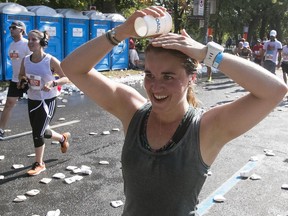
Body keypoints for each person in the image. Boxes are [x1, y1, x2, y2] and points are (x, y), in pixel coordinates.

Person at [60, 6, 287, 216]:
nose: (156, 87)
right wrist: (121, 31)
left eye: (168, 76)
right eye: (149, 75)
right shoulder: (133, 111)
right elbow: (71, 68)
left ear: (191, 78)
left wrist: (207, 53)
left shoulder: (206, 128)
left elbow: (274, 90)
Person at [18, 30, 71, 176]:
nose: (29, 42)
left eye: (33, 40)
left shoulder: (50, 60)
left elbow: (66, 78)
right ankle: (62, 138)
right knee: (43, 131)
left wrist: (53, 83)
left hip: (47, 100)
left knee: (37, 132)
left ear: (42, 42)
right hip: (32, 99)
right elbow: (21, 75)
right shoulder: (26, 60)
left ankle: (39, 163)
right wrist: (22, 81)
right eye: (28, 40)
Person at [0, 21, 32, 140]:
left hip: (28, 79)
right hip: (15, 79)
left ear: (21, 30)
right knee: (9, 104)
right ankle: (1, 130)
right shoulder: (12, 45)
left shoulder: (26, 44)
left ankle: (43, 126)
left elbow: (32, 61)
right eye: (10, 28)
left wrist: (26, 78)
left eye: (14, 28)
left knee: (36, 104)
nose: (11, 29)